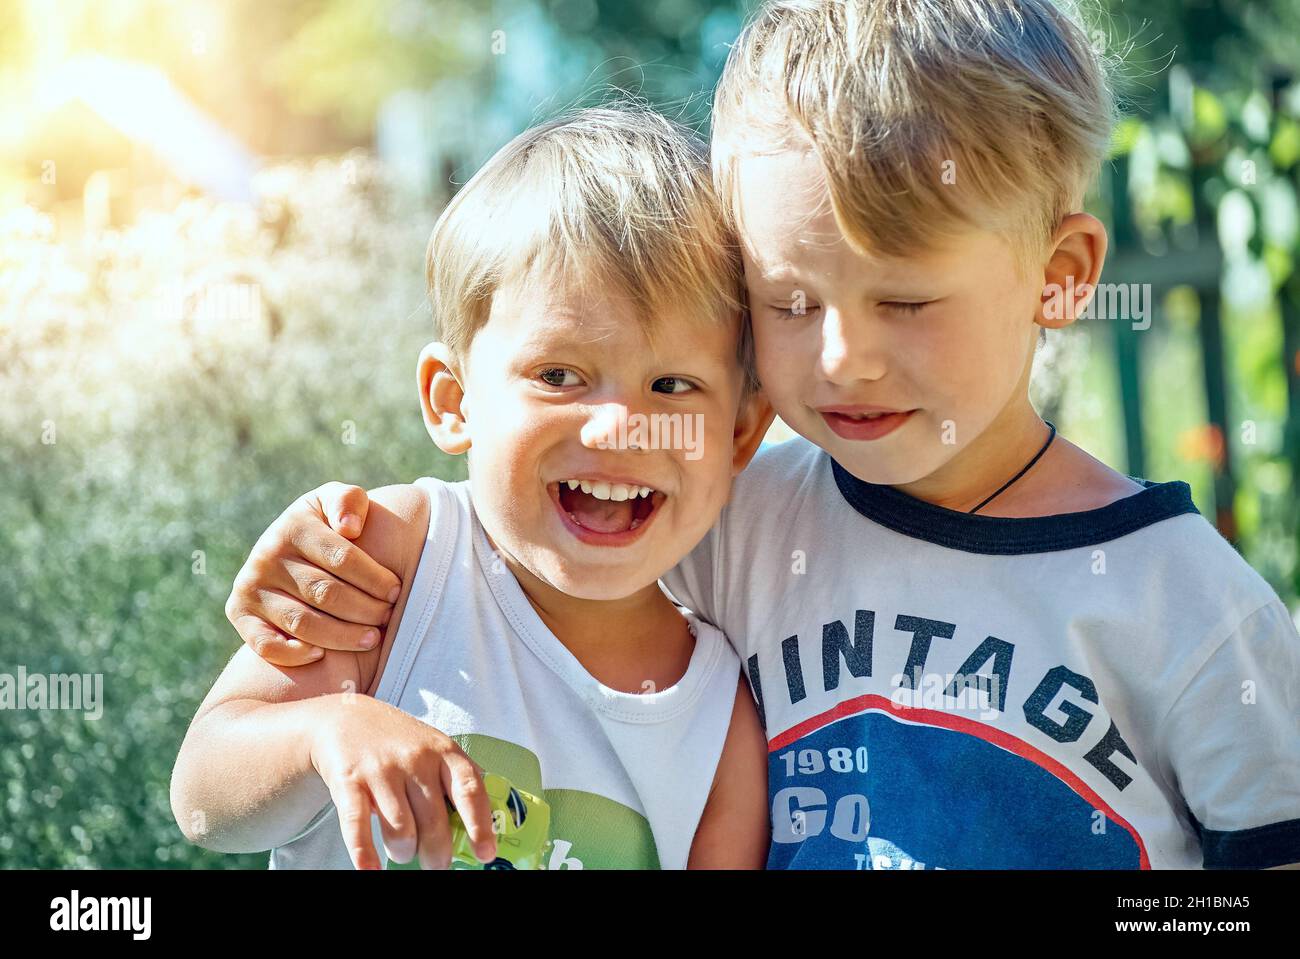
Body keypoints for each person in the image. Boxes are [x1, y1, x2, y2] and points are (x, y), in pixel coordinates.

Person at [220, 0, 1300, 869]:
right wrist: (333, 546)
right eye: (787, 302)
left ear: (1060, 278)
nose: (841, 358)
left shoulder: (1186, 606)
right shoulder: (739, 517)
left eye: (906, 303)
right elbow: (521, 524)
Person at [170, 106, 773, 870]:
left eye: (672, 384)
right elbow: (203, 800)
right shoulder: (399, 555)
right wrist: (326, 731)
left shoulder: (722, 724)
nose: (619, 428)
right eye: (559, 376)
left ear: (741, 435)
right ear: (453, 402)